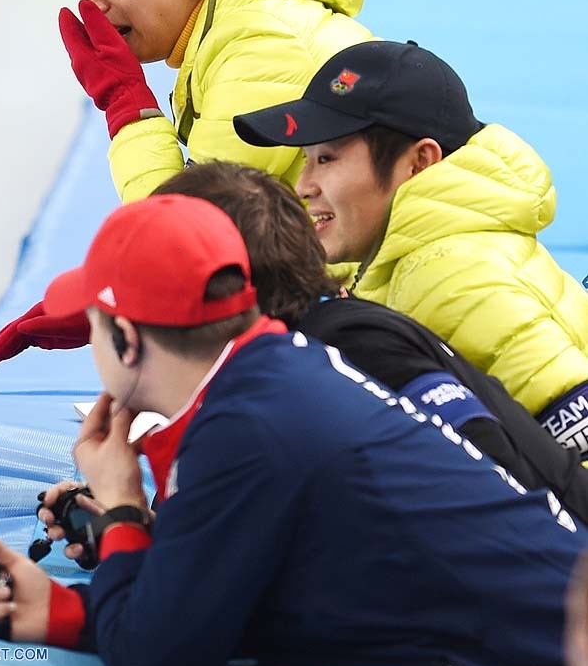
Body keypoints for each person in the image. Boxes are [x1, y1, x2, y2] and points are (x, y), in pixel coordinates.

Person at [0, 194, 588, 666]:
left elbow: (158, 663)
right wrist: (73, 612)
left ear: (126, 340)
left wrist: (123, 505)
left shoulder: (246, 428)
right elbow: (218, 603)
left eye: (95, 329)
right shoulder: (271, 372)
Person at [0, 0, 373, 371]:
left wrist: (127, 107)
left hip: (403, 306)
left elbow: (194, 247)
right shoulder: (233, 32)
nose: (90, 1)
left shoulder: (264, 43)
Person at [152, 160, 588, 522]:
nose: (305, 183)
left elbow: (511, 497)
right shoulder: (326, 335)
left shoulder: (361, 339)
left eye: (327, 156)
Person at [233, 39, 588, 452]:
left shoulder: (450, 274)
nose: (303, 186)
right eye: (306, 159)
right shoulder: (413, 261)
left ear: (420, 163)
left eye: (327, 159)